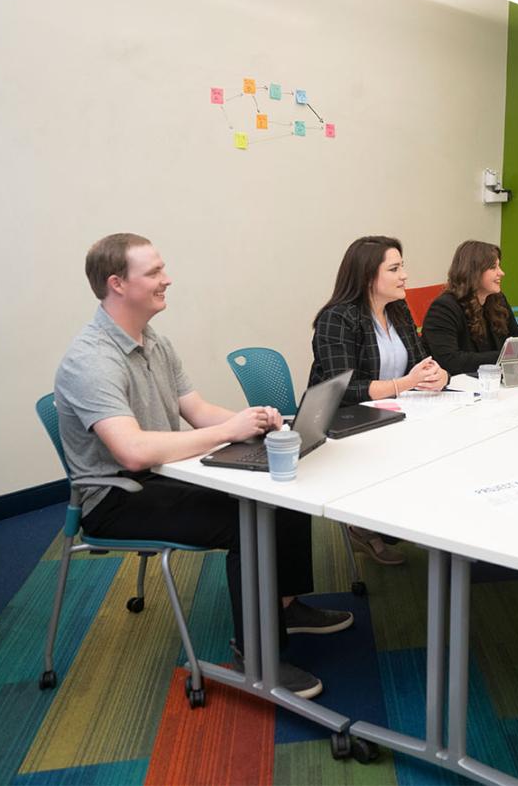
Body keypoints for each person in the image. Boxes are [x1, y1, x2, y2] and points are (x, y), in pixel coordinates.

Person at [54, 233, 351, 700]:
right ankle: (256, 654)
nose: (166, 279)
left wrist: (256, 424)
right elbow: (130, 451)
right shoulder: (89, 360)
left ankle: (285, 603)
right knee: (245, 518)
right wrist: (227, 431)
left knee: (280, 479)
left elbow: (196, 409)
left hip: (165, 474)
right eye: (153, 272)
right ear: (116, 284)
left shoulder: (154, 341)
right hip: (116, 496)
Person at [309, 235, 449, 565]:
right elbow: (341, 389)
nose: (405, 276)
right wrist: (405, 384)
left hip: (393, 414)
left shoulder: (397, 310)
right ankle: (370, 525)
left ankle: (414, 523)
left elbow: (421, 360)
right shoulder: (338, 318)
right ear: (368, 275)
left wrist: (436, 374)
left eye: (403, 267)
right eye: (395, 268)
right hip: (343, 420)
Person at [421, 240, 518, 375]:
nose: (501, 273)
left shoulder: (497, 299)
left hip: (491, 381)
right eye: (493, 268)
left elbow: (517, 339)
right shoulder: (444, 308)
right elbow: (450, 361)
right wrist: (507, 356)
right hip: (458, 386)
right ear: (474, 272)